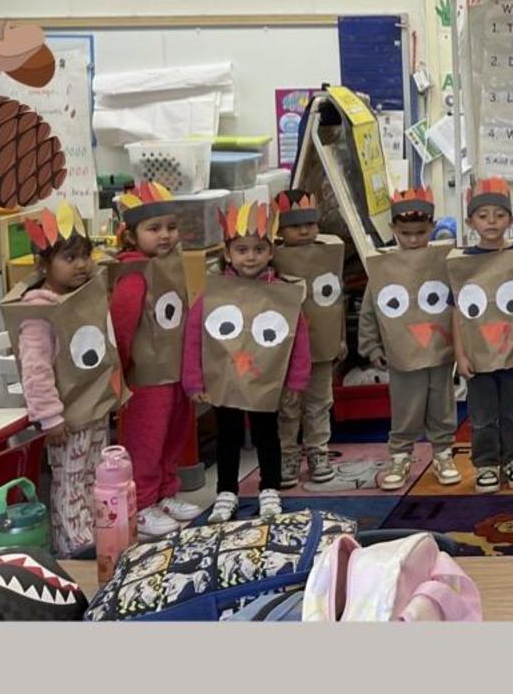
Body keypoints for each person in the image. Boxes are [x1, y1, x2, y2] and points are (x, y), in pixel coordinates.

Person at [183, 201, 312, 524]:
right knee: (228, 435)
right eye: (242, 250)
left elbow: (298, 337)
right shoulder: (212, 295)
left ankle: (270, 488)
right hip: (225, 381)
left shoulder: (281, 294)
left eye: (258, 249)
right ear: (227, 254)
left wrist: (297, 380)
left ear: (270, 252)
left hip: (265, 380)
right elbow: (195, 336)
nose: (250, 257)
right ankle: (226, 491)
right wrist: (194, 381)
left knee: (267, 434)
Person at [6, 203, 116, 556]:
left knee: (94, 474)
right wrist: (50, 417)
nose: (82, 264)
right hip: (66, 417)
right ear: (44, 264)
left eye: (85, 255)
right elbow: (35, 370)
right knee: (70, 479)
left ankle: (95, 533)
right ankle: (74, 547)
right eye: (69, 258)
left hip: (94, 408)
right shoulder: (39, 311)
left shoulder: (81, 297)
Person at [107, 182, 201, 537]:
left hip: (175, 371)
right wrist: (122, 372)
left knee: (173, 435)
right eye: (154, 228)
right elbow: (122, 327)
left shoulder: (168, 266)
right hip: (147, 379)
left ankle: (165, 492)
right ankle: (144, 502)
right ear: (131, 236)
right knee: (146, 441)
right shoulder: (134, 275)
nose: (165, 235)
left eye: (171, 227)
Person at [360, 188, 462, 490]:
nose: (414, 240)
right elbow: (370, 309)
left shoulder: (442, 260)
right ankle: (400, 455)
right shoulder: (384, 267)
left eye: (420, 233)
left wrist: (464, 345)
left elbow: (459, 302)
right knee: (405, 406)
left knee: (441, 403)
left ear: (433, 227)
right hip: (402, 353)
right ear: (393, 229)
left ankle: (442, 453)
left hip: (439, 349)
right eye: (406, 234)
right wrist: (371, 346)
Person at [452, 179, 513, 494]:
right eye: (483, 216)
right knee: (482, 415)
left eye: (499, 215)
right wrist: (460, 354)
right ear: (470, 222)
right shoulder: (461, 263)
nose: (491, 222)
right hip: (478, 356)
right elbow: (457, 312)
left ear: (511, 220)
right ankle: (487, 464)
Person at [271, 190, 342, 486]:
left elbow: (336, 300)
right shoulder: (272, 259)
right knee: (287, 405)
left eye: (310, 224)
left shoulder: (328, 254)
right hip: (286, 351)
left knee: (319, 402)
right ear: (279, 229)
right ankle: (287, 454)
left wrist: (339, 338)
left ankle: (318, 451)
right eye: (294, 226)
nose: (304, 231)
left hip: (320, 346)